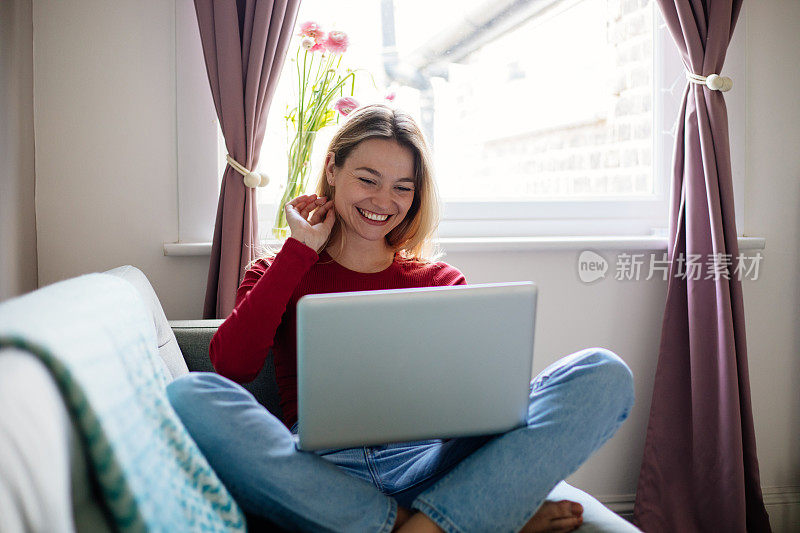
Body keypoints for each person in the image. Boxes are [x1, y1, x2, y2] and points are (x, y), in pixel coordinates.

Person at [166, 104, 638, 533]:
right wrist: (299, 252)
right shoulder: (279, 269)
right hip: (323, 471)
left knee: (603, 371)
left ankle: (436, 521)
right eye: (367, 179)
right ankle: (447, 522)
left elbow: (476, 397)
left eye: (402, 188)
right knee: (189, 394)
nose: (382, 200)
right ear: (333, 170)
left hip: (430, 461)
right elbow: (231, 366)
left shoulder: (441, 280)